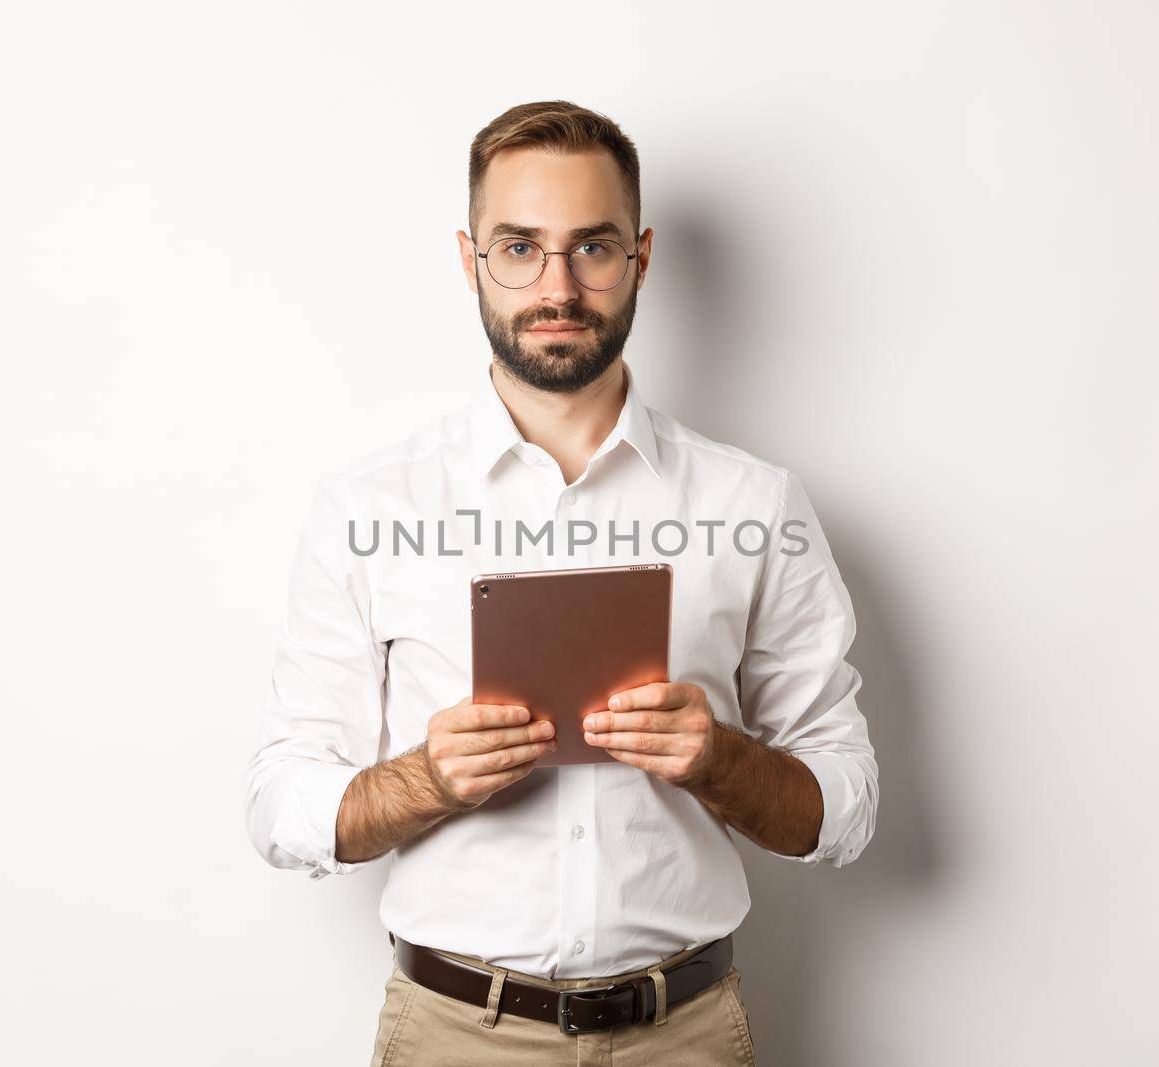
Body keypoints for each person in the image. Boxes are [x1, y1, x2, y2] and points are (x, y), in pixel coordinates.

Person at [243, 99, 879, 1066]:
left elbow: (847, 805)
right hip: (457, 1035)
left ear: (641, 257)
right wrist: (425, 780)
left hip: (687, 1036)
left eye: (592, 247)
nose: (558, 285)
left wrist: (719, 758)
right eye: (518, 247)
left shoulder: (757, 503)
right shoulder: (366, 508)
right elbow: (280, 807)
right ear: (470, 261)